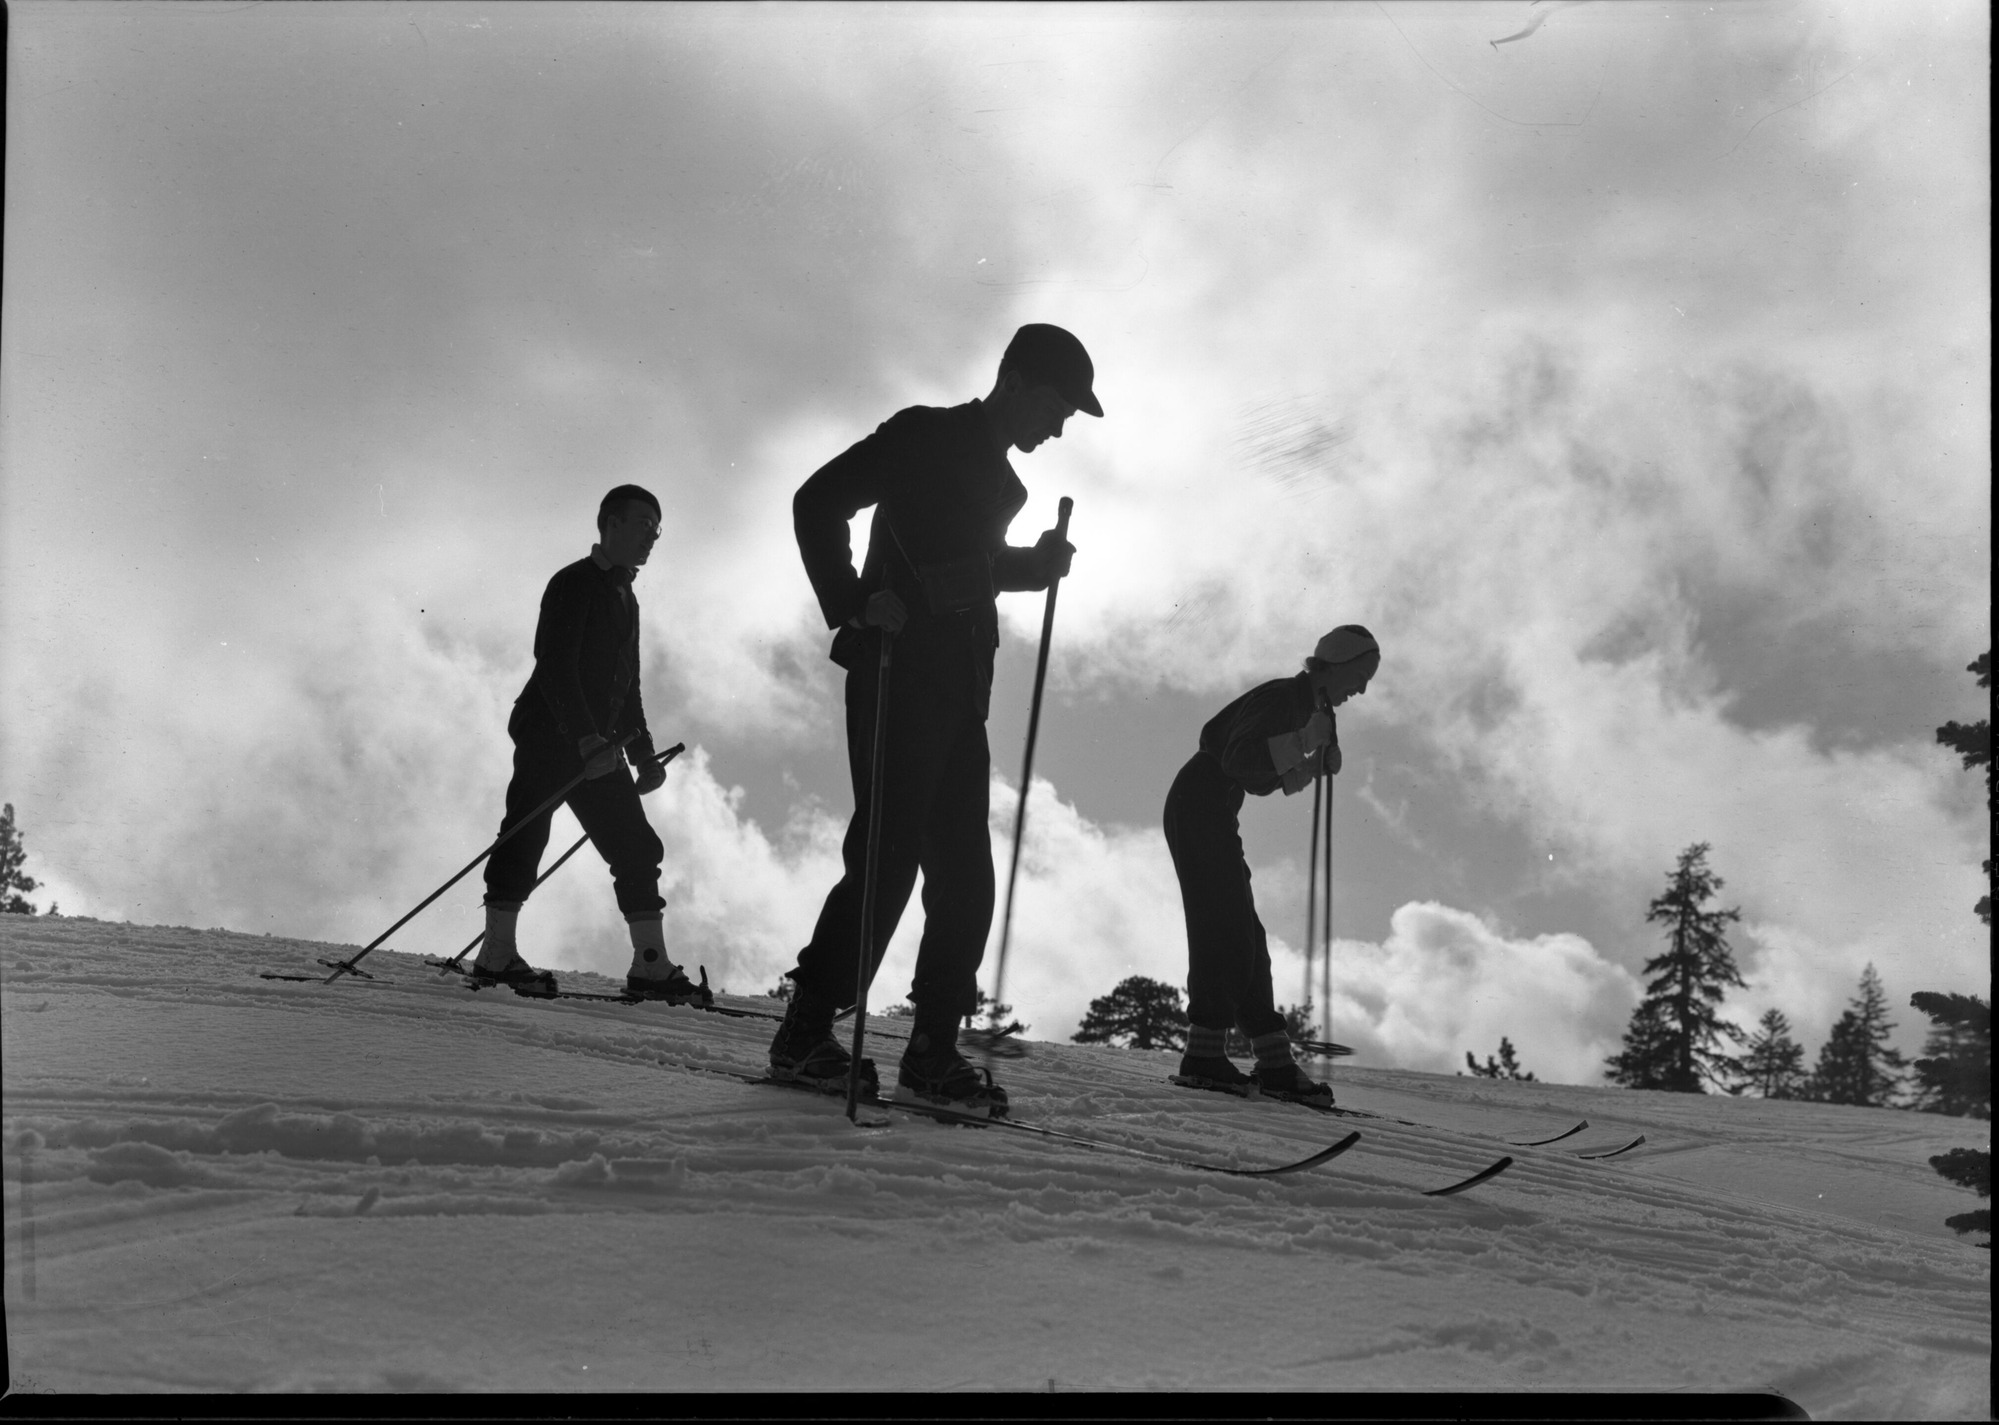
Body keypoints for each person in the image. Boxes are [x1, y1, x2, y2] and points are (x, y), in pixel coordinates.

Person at [772, 324, 1101, 1116]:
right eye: (1057, 407)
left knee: (965, 878)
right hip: (893, 671)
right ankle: (805, 1031)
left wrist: (1033, 564)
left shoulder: (1001, 483)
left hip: (958, 692)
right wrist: (851, 598)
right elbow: (817, 499)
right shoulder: (926, 433)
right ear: (1015, 382)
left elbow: (967, 573)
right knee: (885, 858)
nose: (1057, 428)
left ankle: (931, 1049)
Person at [474, 485, 700, 1002]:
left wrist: (641, 752)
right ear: (610, 524)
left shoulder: (627, 597)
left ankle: (650, 966)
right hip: (552, 739)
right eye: (643, 523)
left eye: (656, 528)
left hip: (599, 751)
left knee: (636, 847)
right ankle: (496, 957)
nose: (652, 537)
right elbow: (554, 667)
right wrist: (586, 739)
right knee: (525, 837)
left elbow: (628, 685)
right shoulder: (573, 582)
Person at [1165, 625, 1382, 1107]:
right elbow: (1240, 759)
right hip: (1199, 800)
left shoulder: (1304, 706)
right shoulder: (1285, 697)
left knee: (1247, 934)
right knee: (1223, 924)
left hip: (1214, 806)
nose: (1362, 689)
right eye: (1360, 675)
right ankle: (1204, 1054)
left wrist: (1307, 763)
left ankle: (1273, 1058)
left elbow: (1257, 778)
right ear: (1337, 664)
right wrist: (1305, 742)